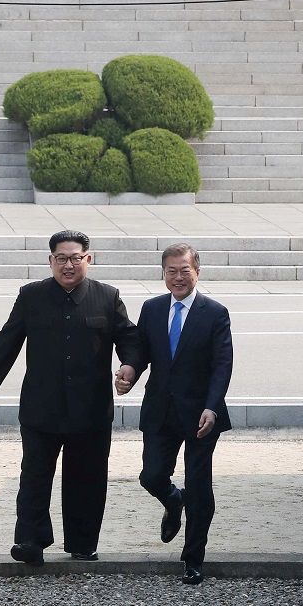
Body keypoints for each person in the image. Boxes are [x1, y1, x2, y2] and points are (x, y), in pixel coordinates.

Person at [0, 230, 139, 566]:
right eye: (61, 258)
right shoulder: (31, 296)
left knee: (87, 479)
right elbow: (9, 338)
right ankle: (30, 542)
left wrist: (130, 366)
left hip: (90, 409)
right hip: (41, 407)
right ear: (50, 261)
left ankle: (82, 544)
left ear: (88, 260)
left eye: (75, 258)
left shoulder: (107, 297)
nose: (68, 265)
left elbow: (129, 337)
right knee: (34, 476)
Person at [115, 243, 233, 585]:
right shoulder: (151, 309)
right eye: (171, 271)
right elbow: (141, 351)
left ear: (197, 272)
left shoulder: (215, 312)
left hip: (201, 415)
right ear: (163, 273)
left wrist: (212, 406)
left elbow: (222, 365)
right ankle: (173, 500)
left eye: (185, 270)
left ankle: (193, 558)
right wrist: (129, 371)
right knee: (151, 476)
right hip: (160, 410)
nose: (178, 277)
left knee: (199, 488)